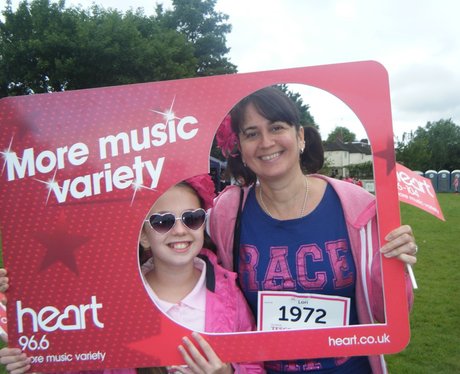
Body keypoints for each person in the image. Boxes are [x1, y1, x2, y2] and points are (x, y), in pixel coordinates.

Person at [205, 86, 417, 373]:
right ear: (240, 147)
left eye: (276, 127)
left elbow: (389, 313)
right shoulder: (227, 213)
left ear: (300, 136)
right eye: (251, 133)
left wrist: (393, 264)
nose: (266, 142)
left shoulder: (357, 208)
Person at [0, 175, 263, 374]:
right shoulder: (114, 301)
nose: (181, 231)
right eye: (163, 221)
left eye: (191, 218)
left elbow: (254, 364)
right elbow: (83, 362)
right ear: (144, 237)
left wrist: (229, 372)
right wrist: (34, 360)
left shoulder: (229, 293)